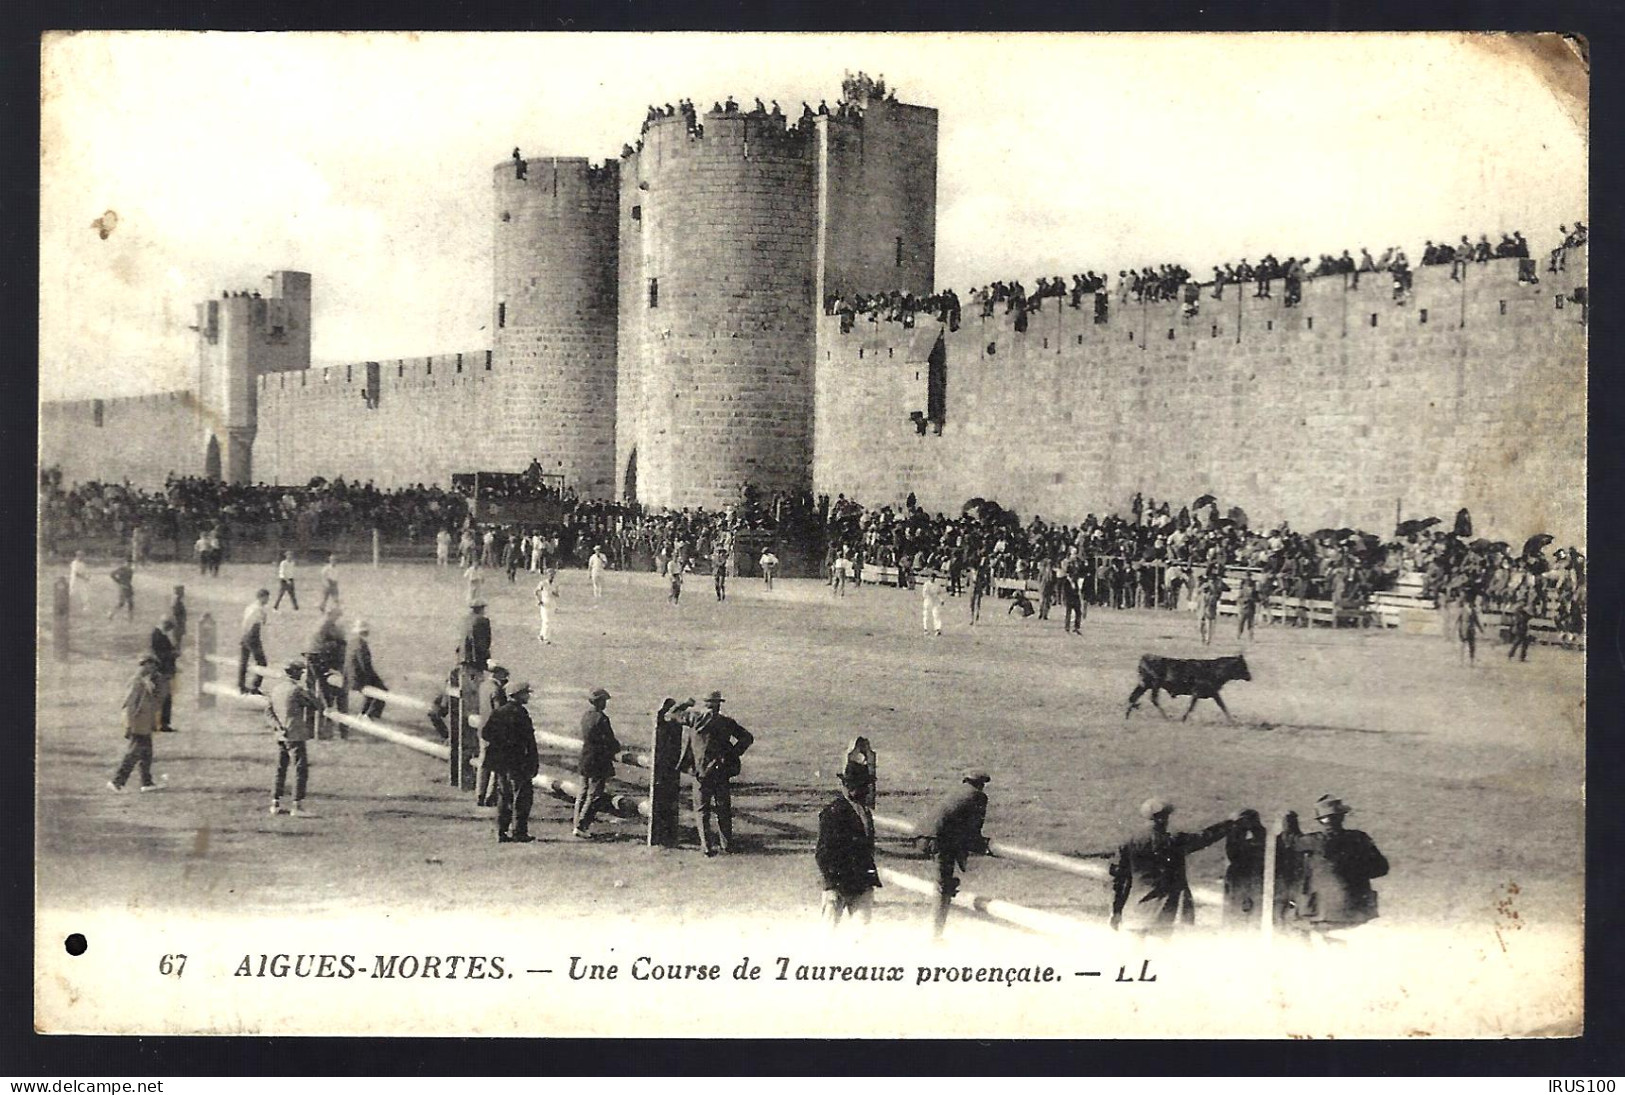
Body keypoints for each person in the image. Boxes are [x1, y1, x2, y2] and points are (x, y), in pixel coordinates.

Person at [1109, 798, 1238, 936]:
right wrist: (1230, 824)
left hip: (1135, 912)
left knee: (1135, 955)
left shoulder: (1129, 842)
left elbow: (1121, 880)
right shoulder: (1173, 841)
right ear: (1162, 819)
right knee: (1162, 953)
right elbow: (1204, 837)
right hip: (1164, 911)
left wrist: (1116, 911)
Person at [1278, 796, 1389, 943]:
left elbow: (1290, 840)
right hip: (1359, 910)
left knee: (1293, 924)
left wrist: (1290, 820)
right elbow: (1381, 869)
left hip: (1325, 913)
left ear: (1321, 820)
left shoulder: (1315, 841)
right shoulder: (1360, 838)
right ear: (1342, 817)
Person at [672, 690, 755, 856]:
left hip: (701, 773)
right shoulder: (727, 722)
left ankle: (706, 846)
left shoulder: (694, 718)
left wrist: (687, 703)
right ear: (718, 705)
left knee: (702, 810)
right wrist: (732, 753)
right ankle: (727, 845)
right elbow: (747, 737)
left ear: (705, 704)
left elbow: (673, 713)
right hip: (721, 771)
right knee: (723, 809)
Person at [922, 770, 991, 938]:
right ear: (981, 784)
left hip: (924, 834)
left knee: (942, 883)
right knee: (943, 887)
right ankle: (935, 935)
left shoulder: (956, 791)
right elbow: (975, 827)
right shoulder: (979, 796)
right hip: (940, 840)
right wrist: (981, 844)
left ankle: (935, 931)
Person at [816, 765, 881, 928]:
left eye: (864, 785)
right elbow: (823, 853)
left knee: (861, 931)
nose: (863, 790)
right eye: (857, 785)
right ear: (845, 787)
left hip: (862, 881)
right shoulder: (832, 812)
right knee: (828, 930)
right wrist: (833, 880)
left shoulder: (865, 812)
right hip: (838, 882)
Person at [481, 680, 539, 843]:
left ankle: (501, 831)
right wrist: (532, 762)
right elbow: (530, 742)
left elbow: (486, 734)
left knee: (504, 796)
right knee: (522, 797)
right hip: (518, 762)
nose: (528, 696)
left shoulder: (499, 712)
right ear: (519, 695)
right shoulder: (521, 714)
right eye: (526, 693)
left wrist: (501, 744)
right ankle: (519, 832)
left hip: (501, 762)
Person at [107, 654, 166, 792]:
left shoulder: (145, 682)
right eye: (151, 665)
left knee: (146, 753)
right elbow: (129, 706)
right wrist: (129, 726)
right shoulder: (136, 682)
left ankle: (147, 783)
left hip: (144, 725)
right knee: (133, 754)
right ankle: (117, 782)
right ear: (146, 665)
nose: (153, 669)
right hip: (137, 725)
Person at [266, 660, 316, 816]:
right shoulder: (297, 690)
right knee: (300, 769)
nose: (301, 674)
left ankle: (275, 803)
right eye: (300, 672)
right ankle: (297, 806)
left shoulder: (276, 689)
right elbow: (315, 704)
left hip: (281, 734)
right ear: (294, 673)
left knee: (280, 769)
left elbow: (269, 712)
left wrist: (278, 727)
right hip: (295, 734)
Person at [573, 687, 621, 839]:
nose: (605, 704)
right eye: (604, 701)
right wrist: (616, 748)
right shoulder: (602, 718)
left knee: (582, 793)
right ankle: (582, 825)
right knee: (594, 795)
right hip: (598, 761)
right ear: (600, 702)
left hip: (585, 758)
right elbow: (610, 740)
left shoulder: (586, 716)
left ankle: (577, 824)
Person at [471, 664, 511, 806]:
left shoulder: (483, 686)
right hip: (496, 732)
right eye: (504, 676)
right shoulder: (497, 690)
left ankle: (479, 794)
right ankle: (490, 796)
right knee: (497, 764)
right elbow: (500, 711)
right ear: (499, 675)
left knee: (483, 763)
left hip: (483, 729)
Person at [1222, 808, 1268, 927]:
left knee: (1239, 913)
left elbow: (1232, 851)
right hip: (1248, 875)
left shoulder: (1253, 843)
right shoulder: (1259, 842)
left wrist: (1238, 826)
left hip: (1247, 876)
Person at [344, 619, 387, 719]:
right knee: (382, 690)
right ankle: (369, 716)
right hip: (358, 678)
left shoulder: (352, 642)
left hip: (350, 676)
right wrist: (374, 678)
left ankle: (363, 713)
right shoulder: (361, 644)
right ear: (365, 632)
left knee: (374, 689)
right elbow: (365, 665)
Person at [149, 617, 180, 733]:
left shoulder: (159, 634)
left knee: (163, 697)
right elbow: (160, 655)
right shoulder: (157, 636)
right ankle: (161, 723)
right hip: (162, 671)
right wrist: (173, 654)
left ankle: (160, 723)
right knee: (162, 697)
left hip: (163, 671)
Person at [238, 588, 271, 694]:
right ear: (262, 597)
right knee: (262, 662)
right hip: (252, 636)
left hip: (247, 635)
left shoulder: (252, 607)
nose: (268, 600)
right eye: (267, 597)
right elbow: (248, 622)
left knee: (244, 661)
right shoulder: (256, 609)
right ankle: (255, 687)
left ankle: (241, 686)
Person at [1457, 591, 1484, 665]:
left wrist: (1481, 629)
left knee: (1472, 646)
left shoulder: (1473, 611)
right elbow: (1458, 621)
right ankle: (1461, 661)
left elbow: (1476, 620)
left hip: (1471, 629)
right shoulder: (1462, 610)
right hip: (1463, 629)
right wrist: (1458, 630)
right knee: (1462, 645)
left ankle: (1471, 661)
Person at [535, 567, 559, 645]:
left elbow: (557, 595)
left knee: (549, 621)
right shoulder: (543, 583)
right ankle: (546, 638)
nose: (551, 576)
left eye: (553, 575)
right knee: (546, 621)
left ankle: (541, 635)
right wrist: (539, 600)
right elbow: (536, 591)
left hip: (552, 603)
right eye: (550, 575)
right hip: (545, 603)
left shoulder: (555, 584)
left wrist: (554, 593)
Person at [919, 569, 944, 636]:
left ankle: (937, 629)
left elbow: (939, 593)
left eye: (934, 577)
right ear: (929, 577)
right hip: (928, 600)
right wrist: (928, 597)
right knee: (926, 614)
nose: (932, 578)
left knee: (936, 614)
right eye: (931, 577)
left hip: (935, 600)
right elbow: (924, 593)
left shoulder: (937, 584)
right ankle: (925, 629)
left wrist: (941, 600)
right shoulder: (926, 584)